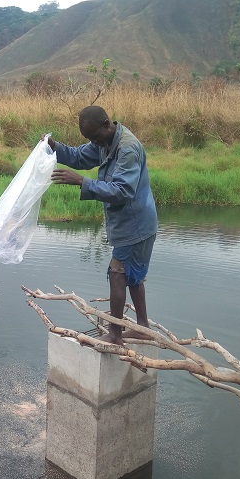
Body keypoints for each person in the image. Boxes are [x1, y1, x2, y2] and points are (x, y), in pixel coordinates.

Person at [46, 105, 157, 345]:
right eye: (90, 140)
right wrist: (55, 148)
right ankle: (142, 327)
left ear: (107, 124)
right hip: (132, 223)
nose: (93, 143)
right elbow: (78, 156)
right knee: (134, 277)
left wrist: (82, 181)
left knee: (118, 274)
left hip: (135, 224)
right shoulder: (104, 142)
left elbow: (123, 190)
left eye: (95, 137)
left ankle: (115, 334)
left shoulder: (127, 148)